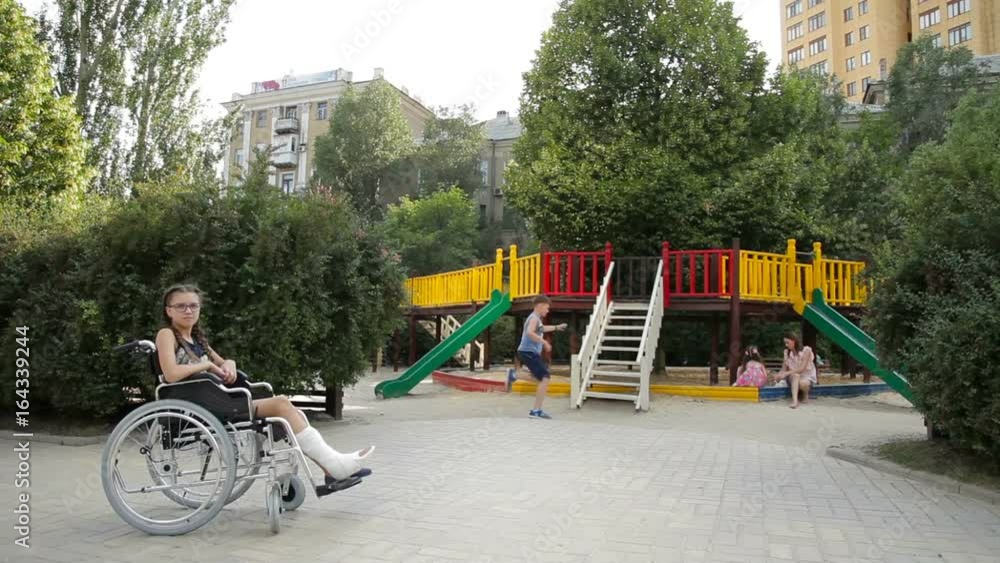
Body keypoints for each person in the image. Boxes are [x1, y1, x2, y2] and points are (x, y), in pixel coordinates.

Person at [155, 284, 373, 482]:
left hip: (213, 399)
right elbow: (171, 374)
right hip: (199, 404)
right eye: (181, 306)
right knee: (281, 404)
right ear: (169, 311)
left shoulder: (197, 339)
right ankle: (335, 466)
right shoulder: (167, 334)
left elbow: (224, 362)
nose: (188, 311)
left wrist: (228, 365)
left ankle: (331, 469)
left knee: (291, 414)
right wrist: (206, 366)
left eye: (193, 306)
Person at [507, 295, 567, 419]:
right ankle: (536, 411)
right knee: (545, 379)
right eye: (546, 307)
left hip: (526, 352)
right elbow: (530, 332)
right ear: (539, 306)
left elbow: (541, 329)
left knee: (542, 380)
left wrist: (556, 327)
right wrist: (544, 342)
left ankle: (515, 375)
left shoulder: (535, 319)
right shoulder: (534, 318)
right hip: (528, 352)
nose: (548, 310)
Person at [773, 333, 817, 408]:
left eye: (787, 342)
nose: (786, 345)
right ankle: (795, 401)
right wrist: (778, 376)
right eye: (785, 343)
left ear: (794, 341)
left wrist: (786, 373)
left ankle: (805, 395)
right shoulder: (787, 352)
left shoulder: (806, 350)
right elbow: (783, 369)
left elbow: (801, 368)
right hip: (793, 377)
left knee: (804, 383)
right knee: (796, 375)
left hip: (806, 376)